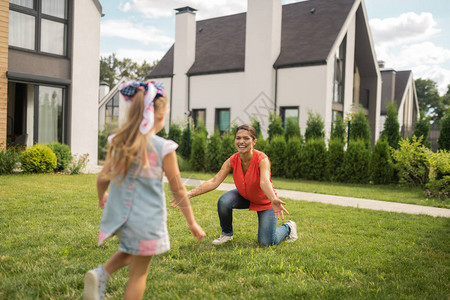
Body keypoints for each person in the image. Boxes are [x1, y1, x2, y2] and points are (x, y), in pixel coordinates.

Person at [83, 81, 205, 300]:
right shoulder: (164, 148)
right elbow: (177, 188)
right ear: (159, 117)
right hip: (147, 221)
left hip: (121, 218)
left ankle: (101, 273)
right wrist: (191, 222)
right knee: (139, 274)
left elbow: (102, 177)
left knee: (131, 251)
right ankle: (102, 274)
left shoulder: (118, 143)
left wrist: (102, 196)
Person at [171, 124, 297, 246]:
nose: (241, 141)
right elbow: (214, 181)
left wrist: (273, 199)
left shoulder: (262, 159)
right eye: (238, 138)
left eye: (246, 138)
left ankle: (288, 227)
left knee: (267, 242)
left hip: (266, 201)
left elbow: (264, 182)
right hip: (245, 196)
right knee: (224, 201)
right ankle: (227, 234)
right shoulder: (232, 160)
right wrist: (189, 193)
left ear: (254, 141)